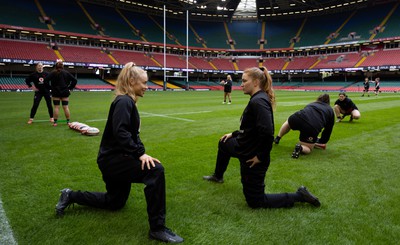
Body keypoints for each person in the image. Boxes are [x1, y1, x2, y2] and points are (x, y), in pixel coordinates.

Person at [55, 63, 183, 243]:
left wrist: (141, 152)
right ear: (132, 81)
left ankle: (70, 195)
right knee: (155, 170)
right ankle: (157, 228)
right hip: (112, 161)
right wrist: (140, 154)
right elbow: (120, 132)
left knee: (115, 202)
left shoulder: (127, 101)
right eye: (144, 83)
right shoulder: (124, 101)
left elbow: (132, 135)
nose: (147, 87)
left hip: (115, 159)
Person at [203, 66, 321, 209]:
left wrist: (260, 156)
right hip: (243, 147)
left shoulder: (258, 101)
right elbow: (251, 130)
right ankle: (218, 176)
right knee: (224, 143)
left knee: (255, 202)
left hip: (252, 156)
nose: (241, 84)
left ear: (256, 82)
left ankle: (299, 195)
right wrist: (233, 134)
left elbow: (267, 133)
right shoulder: (257, 99)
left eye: (244, 81)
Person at [274, 94, 335, 159]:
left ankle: (278, 138)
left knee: (288, 122)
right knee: (308, 148)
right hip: (312, 126)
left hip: (298, 117)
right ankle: (300, 148)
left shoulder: (312, 104)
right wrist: (323, 141)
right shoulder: (330, 110)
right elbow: (328, 130)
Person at [44, 60, 77, 126]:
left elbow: (45, 81)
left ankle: (55, 122)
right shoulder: (66, 73)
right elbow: (74, 80)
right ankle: (68, 122)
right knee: (66, 107)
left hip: (55, 92)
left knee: (56, 107)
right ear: (63, 66)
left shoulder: (53, 73)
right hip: (65, 92)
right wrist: (70, 88)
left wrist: (50, 88)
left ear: (56, 66)